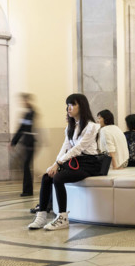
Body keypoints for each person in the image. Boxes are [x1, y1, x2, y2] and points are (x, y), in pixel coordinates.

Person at [28, 93, 101, 230]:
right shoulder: (70, 127)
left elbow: (78, 148)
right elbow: (65, 147)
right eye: (67, 105)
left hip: (89, 164)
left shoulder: (92, 127)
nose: (69, 108)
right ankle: (41, 215)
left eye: (73, 104)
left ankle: (62, 218)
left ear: (82, 106)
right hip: (74, 162)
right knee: (46, 176)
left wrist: (58, 164)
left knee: (59, 178)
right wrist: (53, 165)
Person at [9, 93, 36, 197]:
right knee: (25, 166)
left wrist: (13, 142)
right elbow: (22, 128)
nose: (22, 102)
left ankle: (28, 191)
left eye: (24, 100)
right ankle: (27, 190)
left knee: (26, 165)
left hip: (30, 143)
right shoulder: (28, 113)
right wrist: (13, 142)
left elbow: (23, 128)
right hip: (28, 142)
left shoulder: (31, 113)